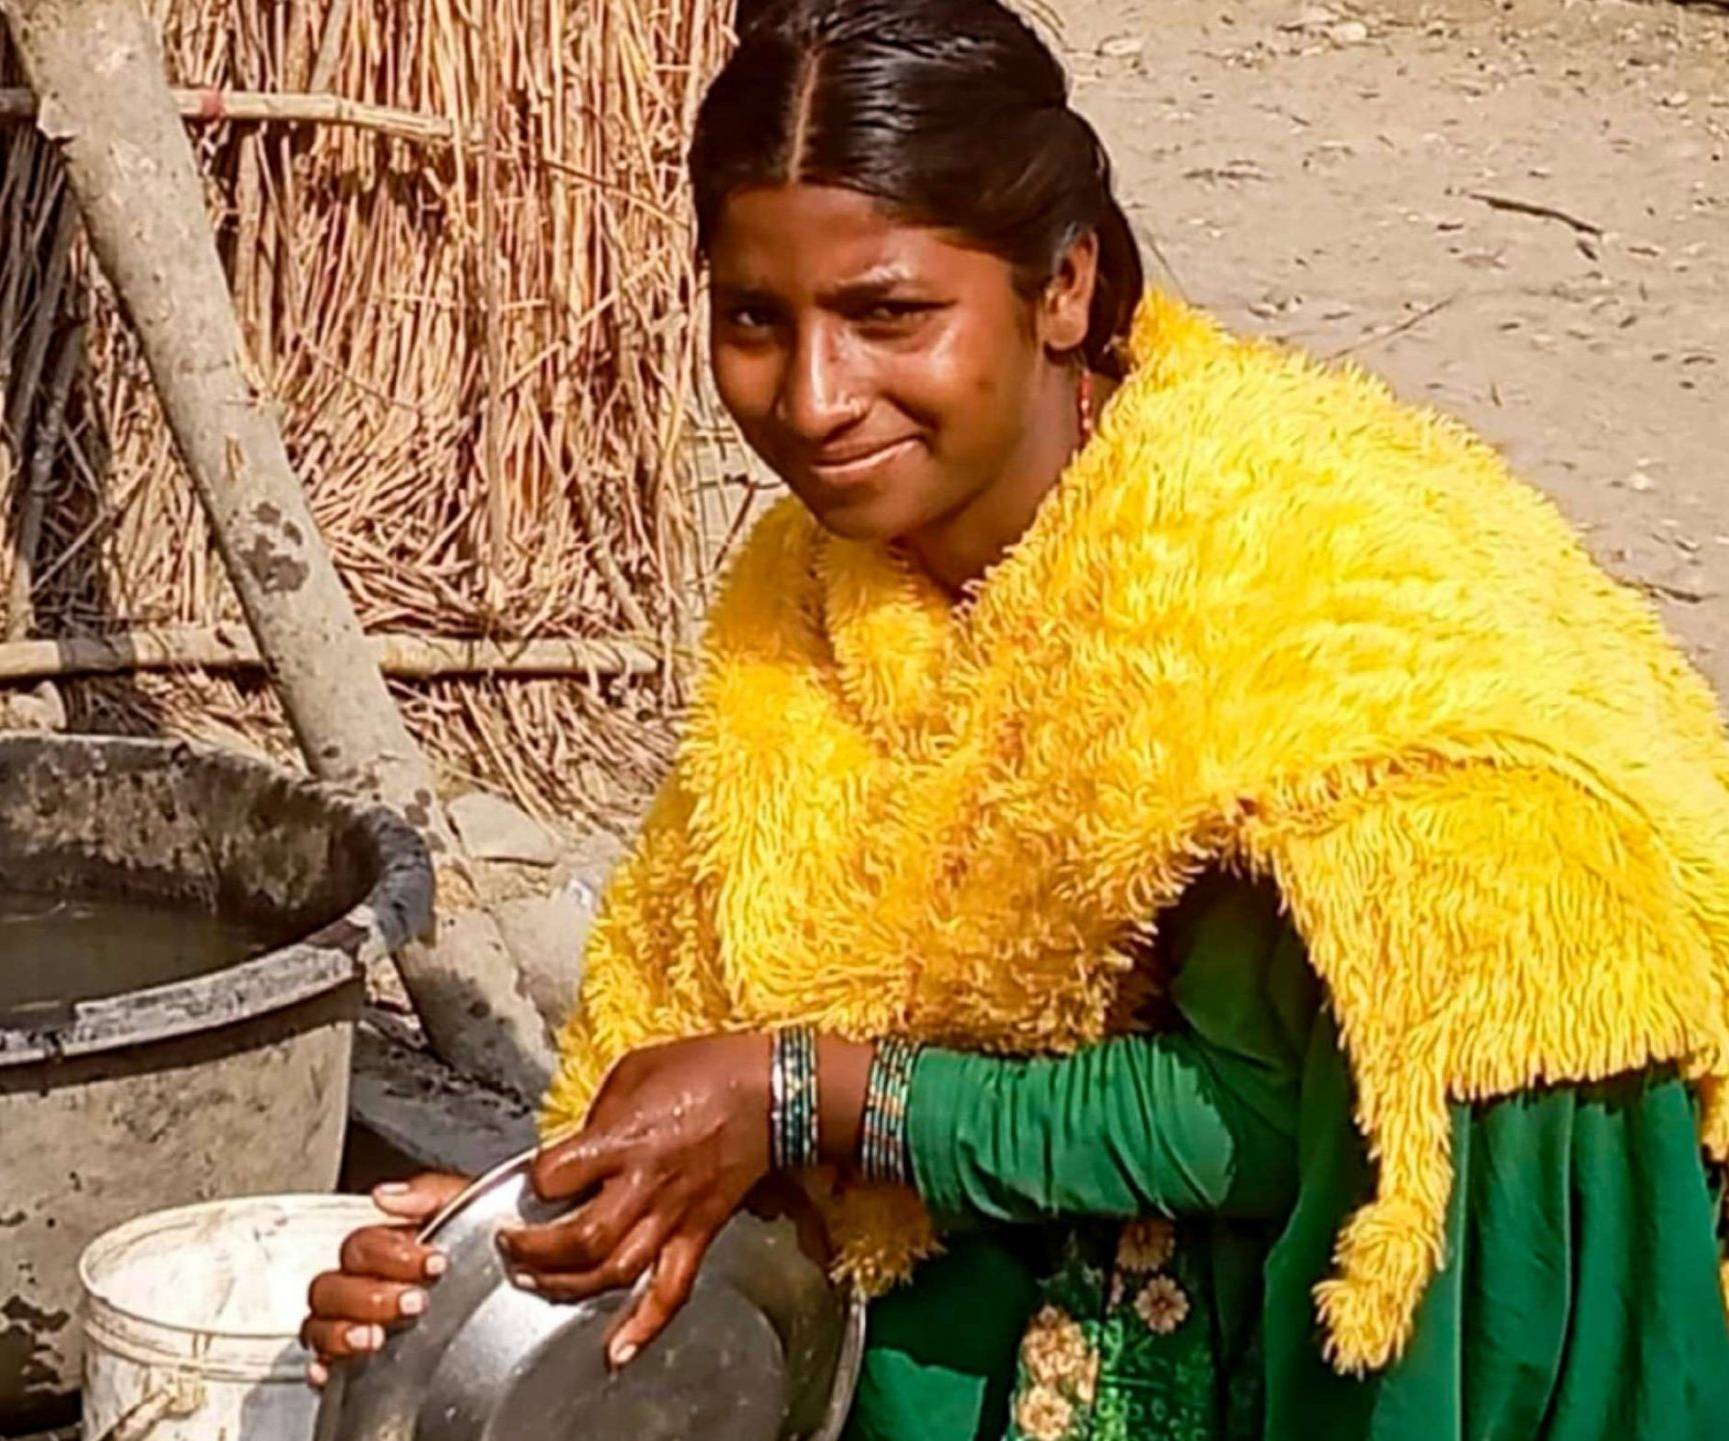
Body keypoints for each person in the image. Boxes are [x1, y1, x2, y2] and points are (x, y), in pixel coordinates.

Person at [303, 2, 1729, 1436]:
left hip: (1363, 1269)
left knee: (1479, 944)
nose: (810, 398)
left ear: (1061, 287)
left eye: (888, 315)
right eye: (753, 319)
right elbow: (726, 1010)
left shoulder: (1280, 598)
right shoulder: (817, 590)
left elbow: (1300, 1108)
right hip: (1045, 1206)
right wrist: (527, 1244)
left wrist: (807, 1096)